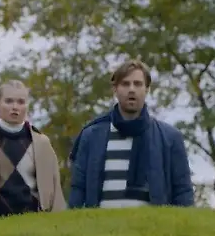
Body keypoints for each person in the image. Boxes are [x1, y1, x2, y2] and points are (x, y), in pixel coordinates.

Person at [68, 58, 194, 209]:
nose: (132, 89)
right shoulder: (91, 136)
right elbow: (78, 189)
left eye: (138, 84)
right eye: (125, 84)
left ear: (147, 89)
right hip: (100, 222)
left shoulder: (170, 138)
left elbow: (183, 193)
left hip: (151, 223)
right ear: (115, 89)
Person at [0, 80, 66, 220]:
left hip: (35, 222)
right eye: (9, 101)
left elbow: (55, 189)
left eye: (21, 102)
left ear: (27, 106)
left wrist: (57, 224)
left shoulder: (41, 143)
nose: (15, 107)